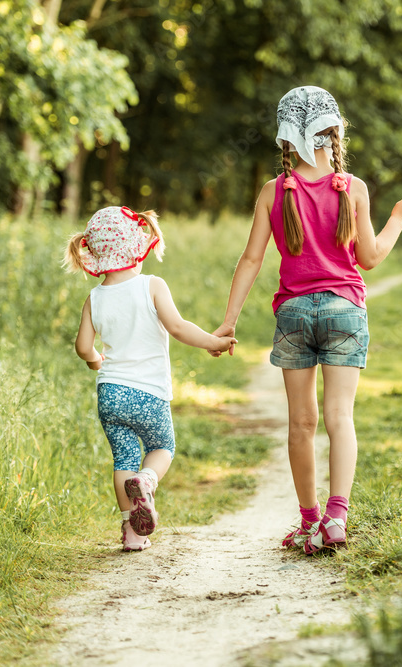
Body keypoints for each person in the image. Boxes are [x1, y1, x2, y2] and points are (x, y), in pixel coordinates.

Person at [212, 86, 402, 554]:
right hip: (344, 310)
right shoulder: (354, 189)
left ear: (285, 139)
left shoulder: (274, 191)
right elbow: (369, 258)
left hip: (293, 313)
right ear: (334, 133)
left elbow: (250, 260)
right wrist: (399, 217)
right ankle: (335, 519)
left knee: (300, 424)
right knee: (339, 418)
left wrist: (228, 322)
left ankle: (308, 522)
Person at [63, 206, 236, 551]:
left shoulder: (94, 298)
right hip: (149, 394)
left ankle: (132, 533)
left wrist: (97, 360)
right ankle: (147, 480)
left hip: (110, 394)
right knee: (162, 447)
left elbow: (83, 347)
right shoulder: (151, 286)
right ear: (135, 250)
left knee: (123, 459)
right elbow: (179, 327)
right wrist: (213, 342)